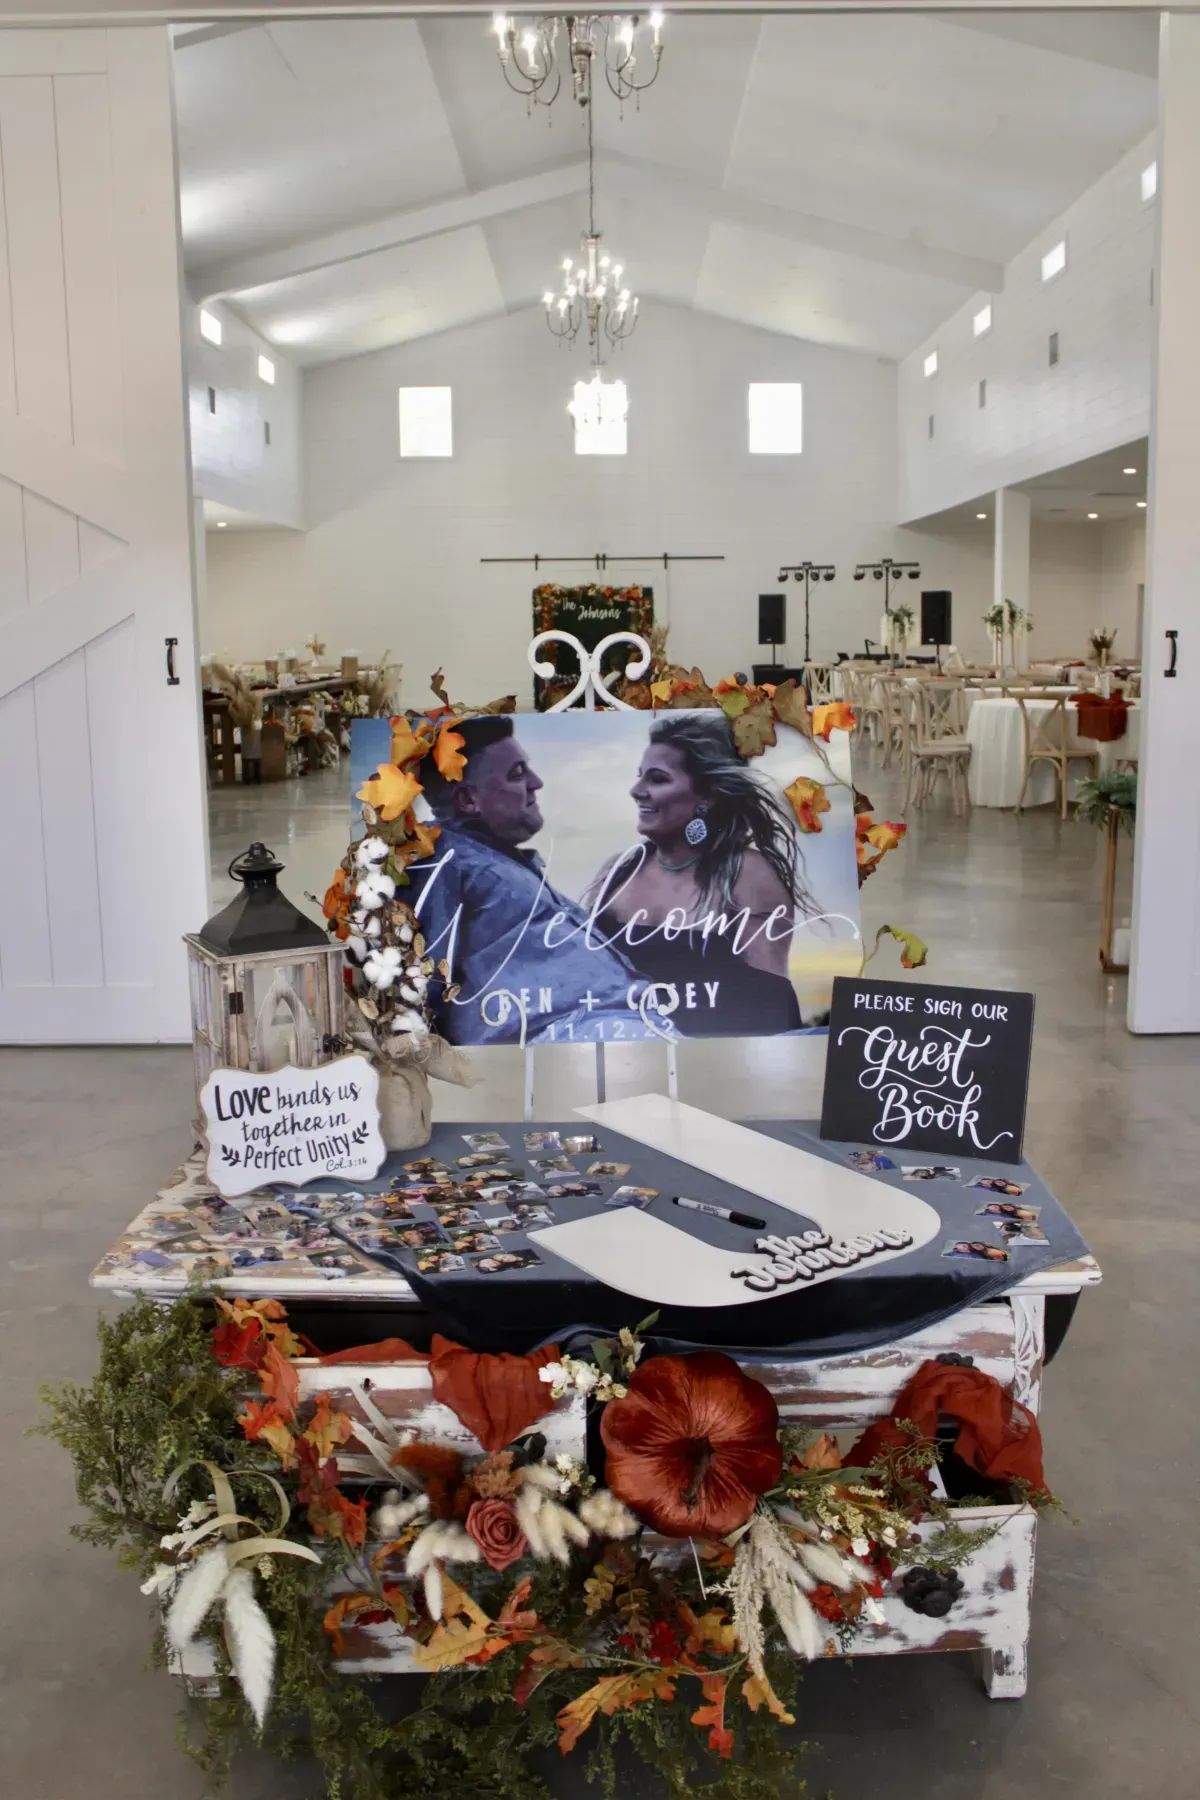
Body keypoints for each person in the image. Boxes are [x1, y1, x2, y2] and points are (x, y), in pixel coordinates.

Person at [407, 715, 637, 1045]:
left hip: (608, 1027)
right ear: (468, 800)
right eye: (517, 774)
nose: (536, 782)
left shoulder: (495, 860)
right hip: (570, 1033)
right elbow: (423, 983)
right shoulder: (445, 858)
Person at [585, 712, 815, 1035]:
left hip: (711, 1065)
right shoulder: (620, 871)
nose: (637, 790)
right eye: (640, 776)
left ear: (708, 795)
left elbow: (771, 1005)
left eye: (658, 778)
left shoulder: (746, 874)